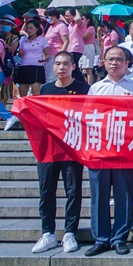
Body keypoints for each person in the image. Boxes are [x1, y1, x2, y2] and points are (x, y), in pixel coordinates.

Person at [84, 45, 133, 256]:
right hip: (99, 150)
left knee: (124, 196)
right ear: (104, 62)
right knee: (98, 196)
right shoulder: (96, 88)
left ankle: (119, 238)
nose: (115, 63)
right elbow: (87, 118)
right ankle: (101, 239)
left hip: (124, 151)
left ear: (127, 63)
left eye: (119, 59)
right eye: (111, 59)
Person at [31, 51, 90, 254]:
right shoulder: (45, 89)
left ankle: (70, 232)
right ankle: (48, 233)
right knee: (46, 190)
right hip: (48, 148)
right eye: (57, 64)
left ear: (73, 66)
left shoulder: (83, 89)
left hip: (72, 147)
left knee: (73, 190)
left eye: (65, 64)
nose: (61, 67)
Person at [16, 18, 50, 97]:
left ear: (37, 28)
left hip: (36, 66)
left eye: (31, 28)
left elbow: (47, 54)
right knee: (23, 94)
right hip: (24, 66)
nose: (29, 30)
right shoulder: (23, 40)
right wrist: (20, 53)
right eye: (27, 28)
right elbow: (20, 54)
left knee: (35, 93)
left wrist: (45, 59)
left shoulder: (42, 40)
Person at [43, 9, 69, 83]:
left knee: (50, 77)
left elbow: (66, 41)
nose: (48, 19)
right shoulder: (50, 27)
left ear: (54, 16)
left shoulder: (62, 26)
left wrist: (60, 55)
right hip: (48, 55)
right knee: (46, 76)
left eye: (48, 17)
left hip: (56, 54)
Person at [79, 13, 97, 85]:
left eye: (83, 19)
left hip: (88, 47)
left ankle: (89, 85)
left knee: (88, 69)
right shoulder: (82, 28)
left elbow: (84, 37)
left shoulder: (91, 28)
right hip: (82, 47)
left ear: (88, 20)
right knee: (79, 67)